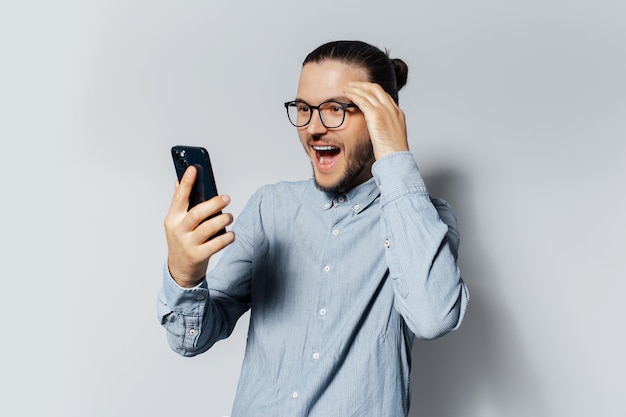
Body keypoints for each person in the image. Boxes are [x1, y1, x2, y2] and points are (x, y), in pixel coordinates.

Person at [158, 40, 469, 417]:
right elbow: (192, 338)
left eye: (336, 109)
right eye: (304, 109)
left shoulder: (423, 219)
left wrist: (395, 155)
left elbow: (434, 317)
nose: (314, 128)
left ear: (382, 117)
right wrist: (186, 274)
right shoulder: (270, 208)